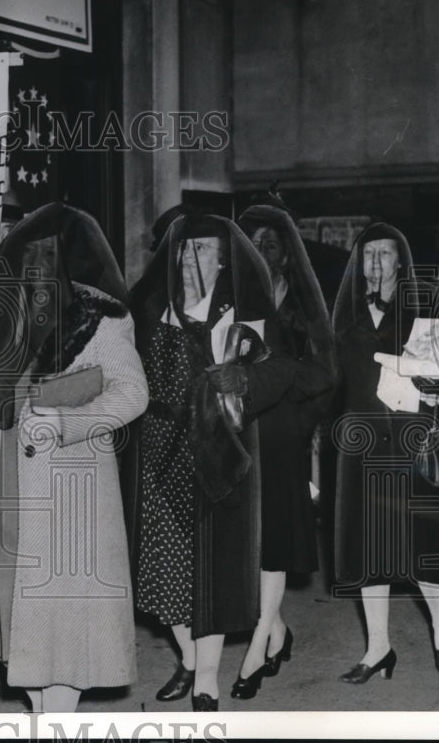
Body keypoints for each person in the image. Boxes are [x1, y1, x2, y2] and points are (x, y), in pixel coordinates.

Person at [0, 202, 148, 713]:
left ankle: (55, 723)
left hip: (66, 503)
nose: (32, 273)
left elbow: (133, 392)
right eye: (24, 260)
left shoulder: (101, 321)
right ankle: (46, 719)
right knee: (13, 629)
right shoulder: (1, 324)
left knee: (61, 638)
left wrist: (68, 423)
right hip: (3, 489)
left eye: (43, 260)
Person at [130, 213, 295, 712]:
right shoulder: (149, 304)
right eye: (184, 249)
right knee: (159, 567)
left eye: (202, 250)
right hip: (157, 449)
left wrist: (243, 382)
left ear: (223, 257)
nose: (190, 259)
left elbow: (283, 370)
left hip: (212, 450)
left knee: (210, 571)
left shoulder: (241, 311)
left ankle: (206, 679)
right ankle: (187, 654)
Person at [331, 222, 439, 682]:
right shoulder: (343, 310)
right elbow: (330, 379)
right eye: (369, 255)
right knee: (370, 549)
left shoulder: (429, 299)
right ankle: (378, 648)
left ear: (401, 258)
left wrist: (434, 384)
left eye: (386, 253)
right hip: (360, 444)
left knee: (419, 544)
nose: (377, 263)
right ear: (358, 259)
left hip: (413, 441)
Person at [231, 204, 338, 698]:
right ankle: (277, 630)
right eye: (252, 242)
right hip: (240, 433)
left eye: (269, 244)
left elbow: (325, 375)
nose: (260, 250)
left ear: (286, 255)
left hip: (283, 437)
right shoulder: (236, 299)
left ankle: (257, 648)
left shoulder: (300, 305)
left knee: (272, 542)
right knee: (247, 544)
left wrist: (299, 420)